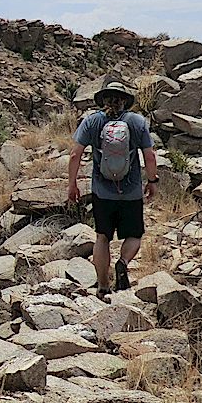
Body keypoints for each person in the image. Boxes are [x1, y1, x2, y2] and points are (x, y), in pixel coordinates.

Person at [67, 80, 158, 297]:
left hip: (102, 192)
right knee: (134, 235)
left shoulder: (91, 122)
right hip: (132, 191)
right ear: (125, 101)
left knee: (102, 237)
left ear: (103, 100)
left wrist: (72, 185)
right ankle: (123, 263)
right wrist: (152, 181)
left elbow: (74, 155)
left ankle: (102, 286)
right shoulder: (137, 121)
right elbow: (150, 156)